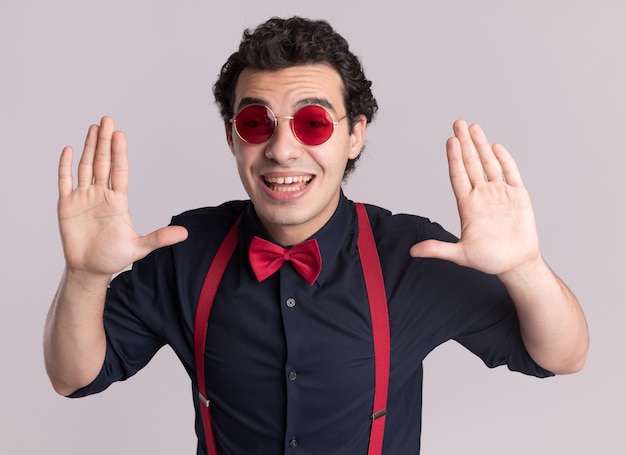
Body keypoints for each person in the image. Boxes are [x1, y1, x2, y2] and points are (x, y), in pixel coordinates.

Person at [44, 16, 588, 455]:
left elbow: (562, 356)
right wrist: (86, 277)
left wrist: (524, 268)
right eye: (257, 123)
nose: (282, 151)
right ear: (233, 137)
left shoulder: (415, 256)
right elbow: (74, 376)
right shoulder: (185, 252)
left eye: (313, 123)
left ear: (354, 135)